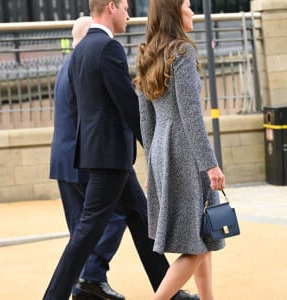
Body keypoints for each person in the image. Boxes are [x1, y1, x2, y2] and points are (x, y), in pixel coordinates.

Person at [43, 1, 198, 299]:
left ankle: (168, 289)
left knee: (139, 218)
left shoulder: (81, 51)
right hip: (110, 159)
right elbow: (128, 105)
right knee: (87, 232)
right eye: (125, 7)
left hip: (102, 156)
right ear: (110, 7)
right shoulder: (108, 48)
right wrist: (154, 150)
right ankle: (53, 296)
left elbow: (87, 109)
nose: (129, 13)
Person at [134, 0, 226, 299]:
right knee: (196, 242)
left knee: (203, 235)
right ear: (175, 12)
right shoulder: (183, 53)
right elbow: (190, 116)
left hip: (162, 148)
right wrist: (210, 164)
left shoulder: (148, 55)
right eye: (187, 5)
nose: (193, 11)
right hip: (185, 152)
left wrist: (151, 165)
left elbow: (146, 121)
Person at [50, 16, 127, 300]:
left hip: (61, 157)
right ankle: (91, 275)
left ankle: (82, 285)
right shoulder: (84, 64)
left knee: (79, 231)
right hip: (81, 157)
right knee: (115, 216)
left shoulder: (65, 65)